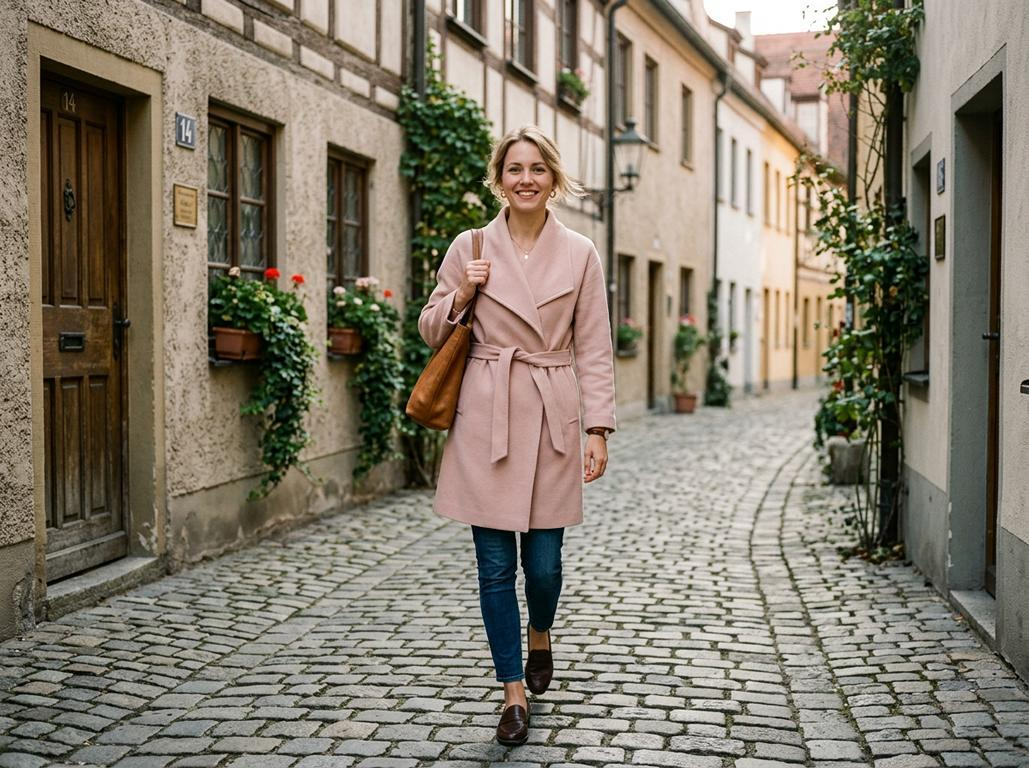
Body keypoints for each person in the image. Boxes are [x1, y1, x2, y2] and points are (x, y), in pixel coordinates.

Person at [418, 125, 616, 746]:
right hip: (487, 411)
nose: (525, 179)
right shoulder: (470, 244)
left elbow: (595, 346)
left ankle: (541, 636)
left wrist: (599, 427)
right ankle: (512, 694)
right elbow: (430, 328)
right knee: (495, 566)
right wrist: (464, 291)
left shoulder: (581, 252)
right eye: (514, 169)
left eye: (537, 169)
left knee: (546, 566)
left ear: (553, 179)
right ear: (498, 179)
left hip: (552, 410)